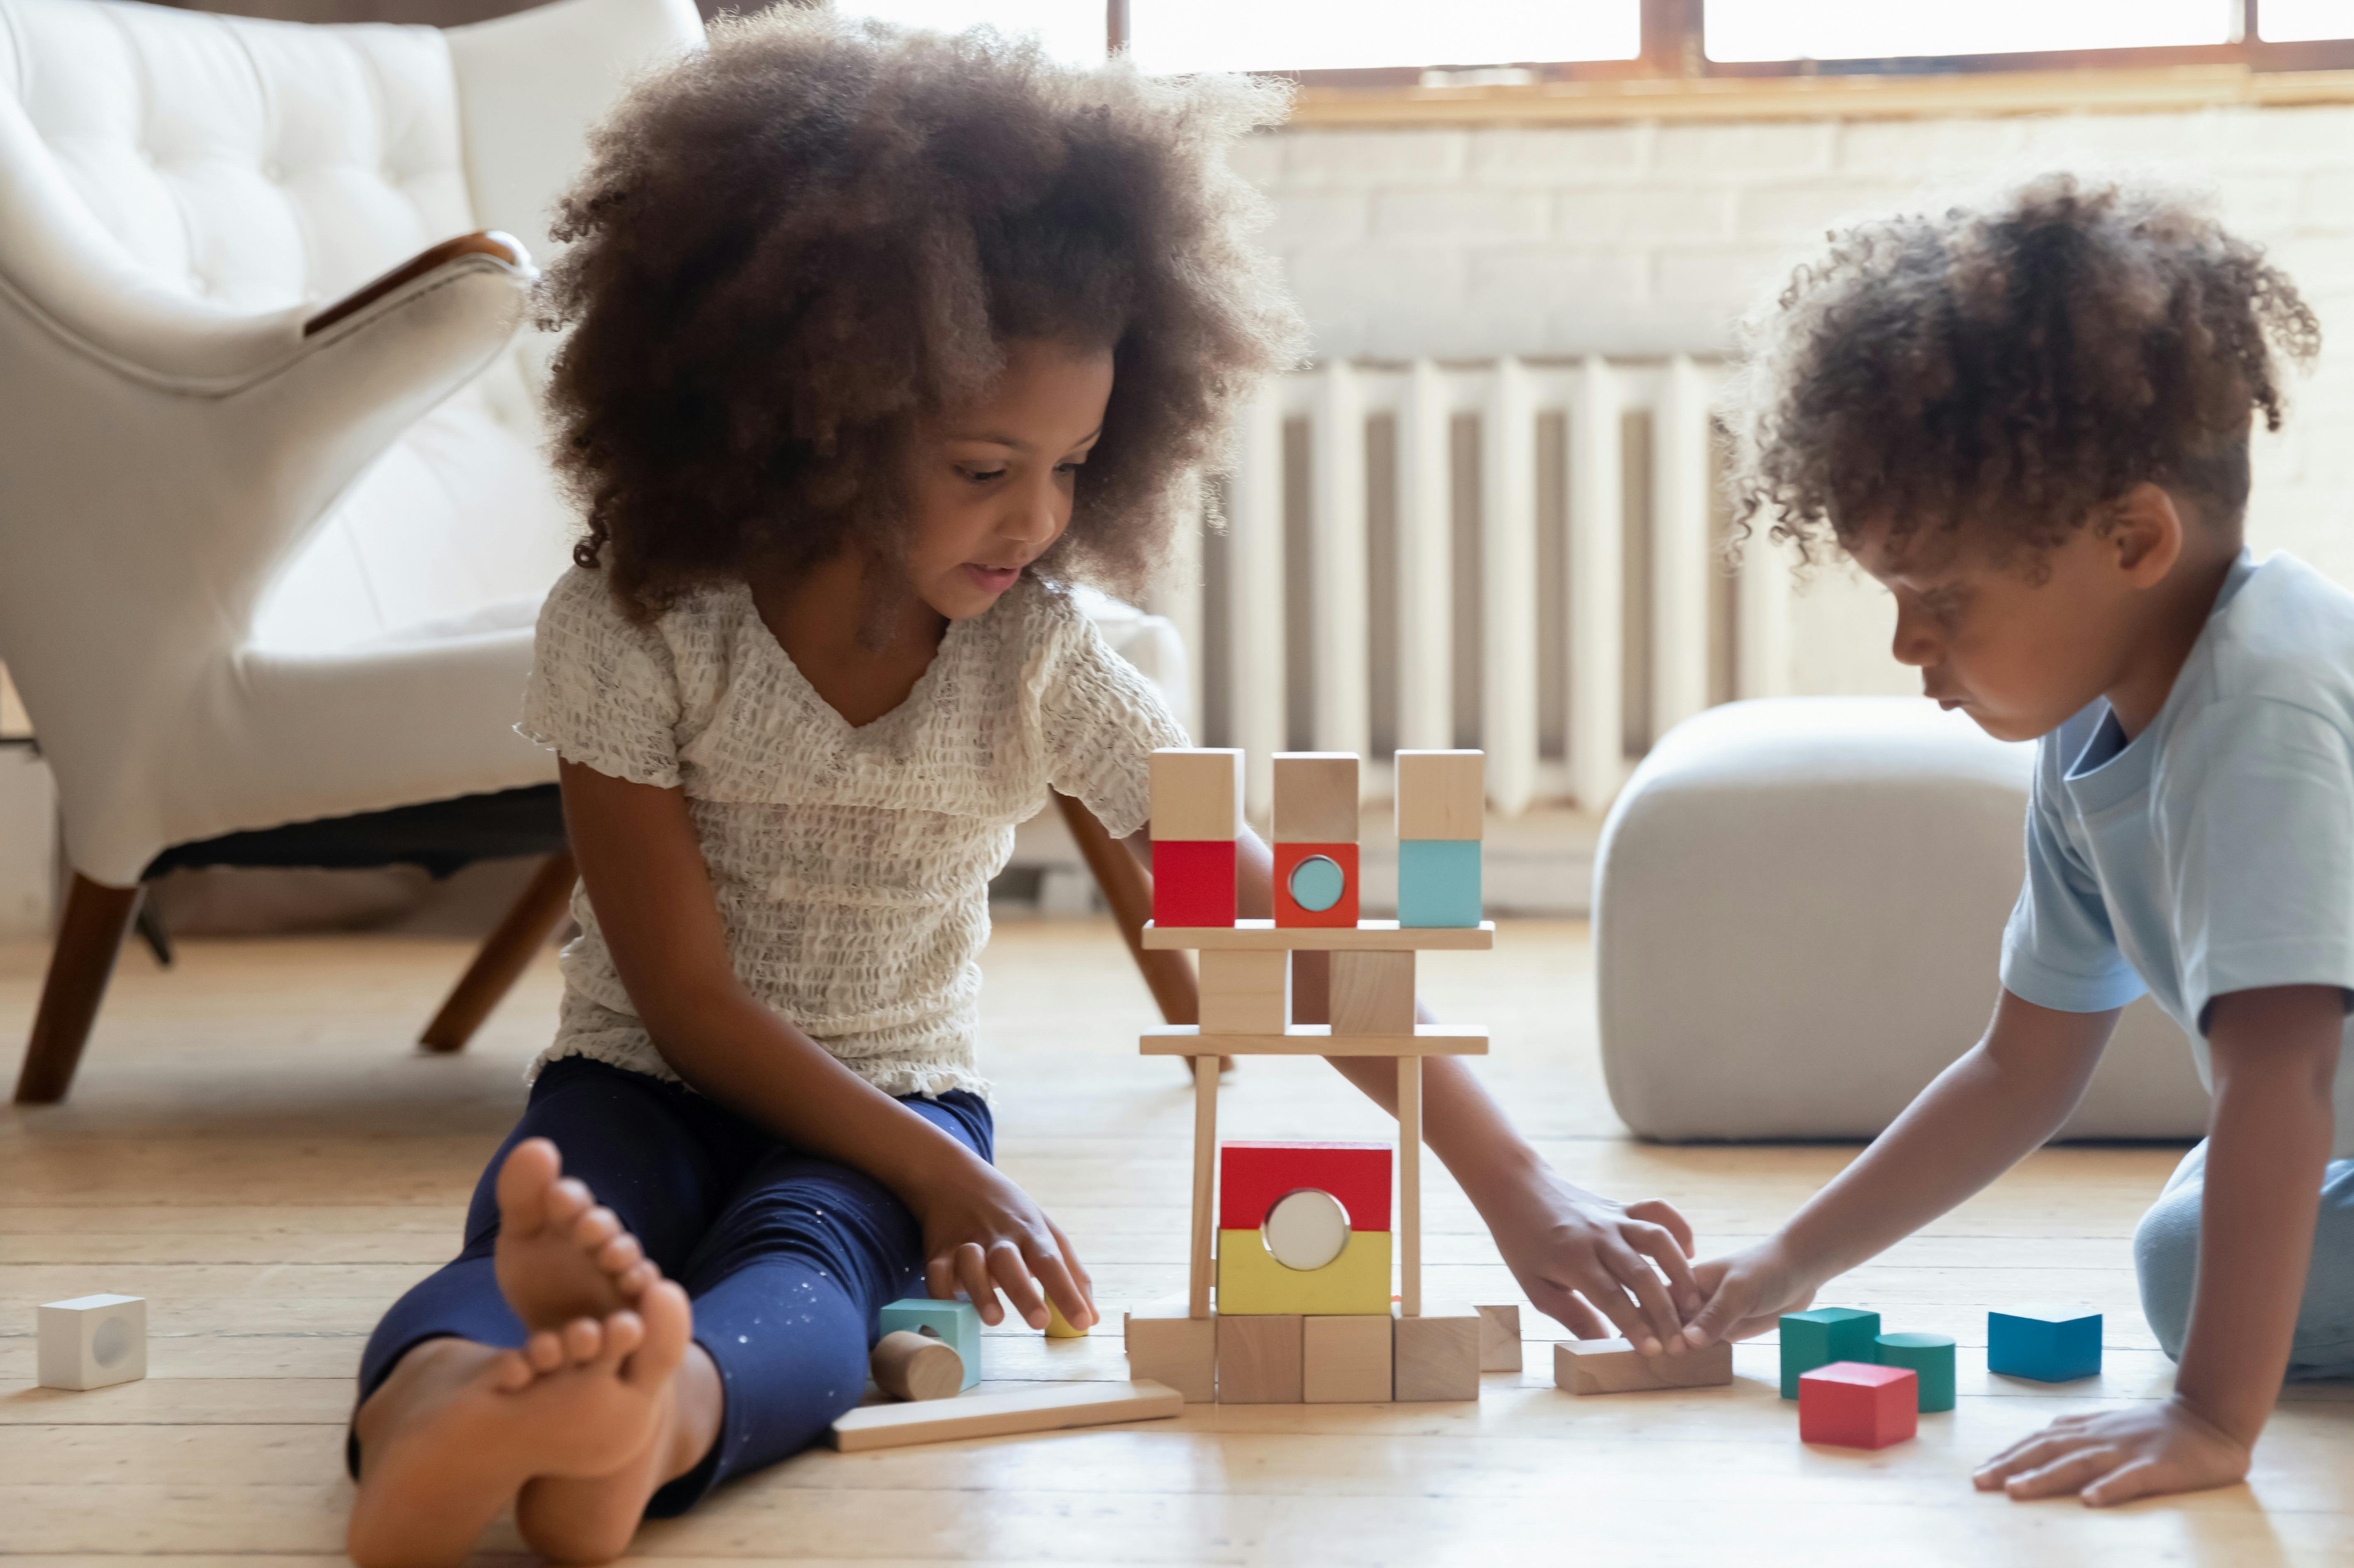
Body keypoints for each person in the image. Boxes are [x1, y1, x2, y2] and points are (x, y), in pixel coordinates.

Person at [342, 18, 1695, 1564]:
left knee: (821, 1274)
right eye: (987, 467)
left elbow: (1272, 911)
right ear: (819, 426)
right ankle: (440, 1411)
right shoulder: (639, 627)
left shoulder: (1042, 660)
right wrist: (954, 1176)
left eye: (1074, 466)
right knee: (546, 1215)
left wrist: (1514, 1181)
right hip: (647, 1075)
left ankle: (640, 1426)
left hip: (897, 1104)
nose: (1039, 521)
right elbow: (689, 998)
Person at [1676, 175, 2354, 1507]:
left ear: (2136, 538)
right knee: (2225, 1194)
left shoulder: (2267, 721)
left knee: (2183, 1263)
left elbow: (2281, 1084)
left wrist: (2207, 1416)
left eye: (1938, 598)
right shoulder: (2097, 724)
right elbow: (2022, 1068)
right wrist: (1789, 1263)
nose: (1908, 643)